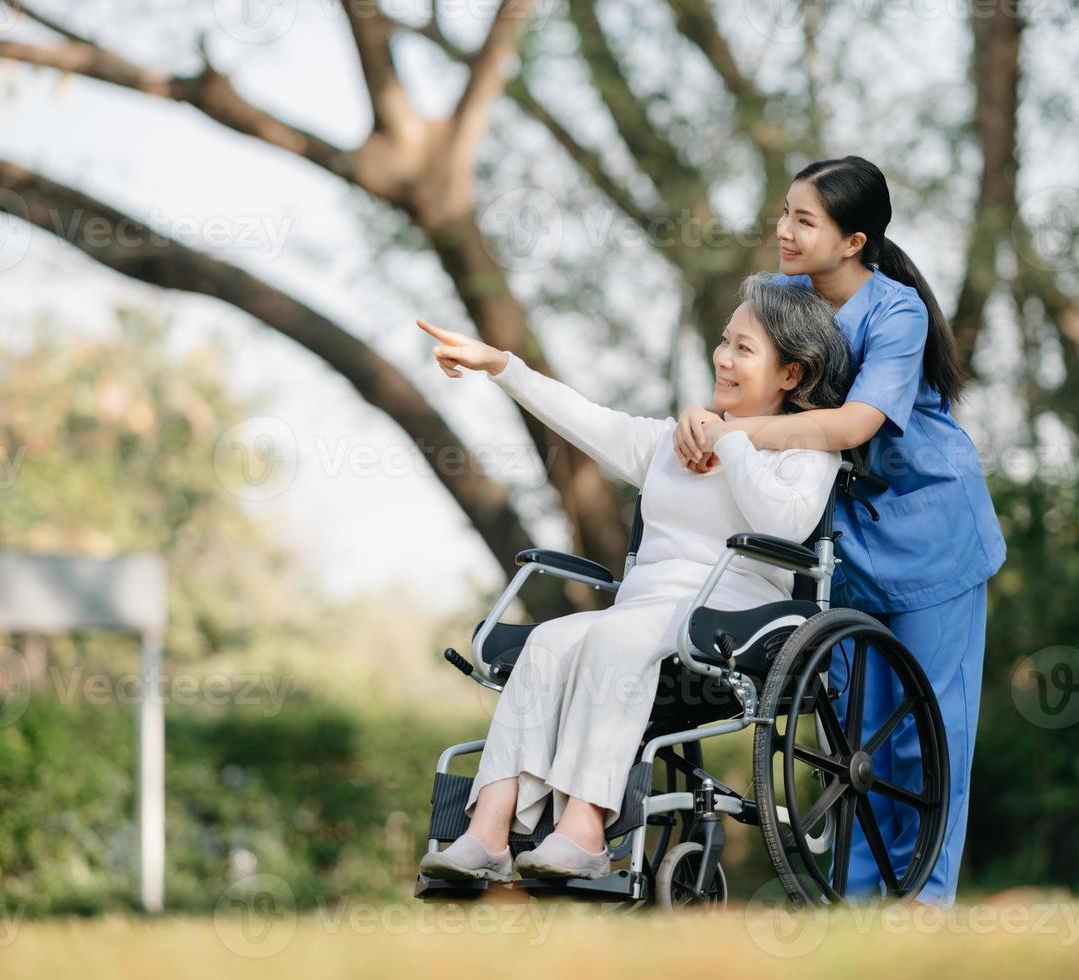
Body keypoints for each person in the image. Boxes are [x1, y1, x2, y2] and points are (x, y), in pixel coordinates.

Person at [414, 273, 853, 882]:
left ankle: (586, 830)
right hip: (645, 613)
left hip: (737, 616)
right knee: (547, 641)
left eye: (744, 349)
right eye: (724, 341)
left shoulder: (809, 450)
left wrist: (730, 442)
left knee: (619, 637)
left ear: (791, 374)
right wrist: (500, 365)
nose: (722, 358)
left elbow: (782, 520)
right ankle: (488, 833)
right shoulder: (668, 445)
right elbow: (584, 419)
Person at [673, 157, 1006, 904]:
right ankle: (857, 911)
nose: (782, 232)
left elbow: (856, 423)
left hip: (933, 537)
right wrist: (707, 416)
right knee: (859, 741)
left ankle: (922, 909)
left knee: (929, 739)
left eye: (803, 220)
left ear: (853, 240)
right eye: (784, 213)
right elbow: (746, 379)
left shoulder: (897, 313)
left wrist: (740, 434)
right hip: (845, 548)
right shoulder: (780, 296)